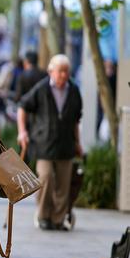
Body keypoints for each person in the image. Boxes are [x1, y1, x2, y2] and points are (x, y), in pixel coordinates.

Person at [17, 54, 82, 231]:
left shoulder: (74, 90)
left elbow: (76, 119)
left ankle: (58, 219)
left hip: (66, 143)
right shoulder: (41, 88)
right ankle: (43, 215)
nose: (63, 75)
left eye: (66, 71)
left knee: (63, 183)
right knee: (45, 178)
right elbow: (22, 106)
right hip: (43, 143)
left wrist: (78, 142)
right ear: (51, 71)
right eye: (60, 71)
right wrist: (22, 132)